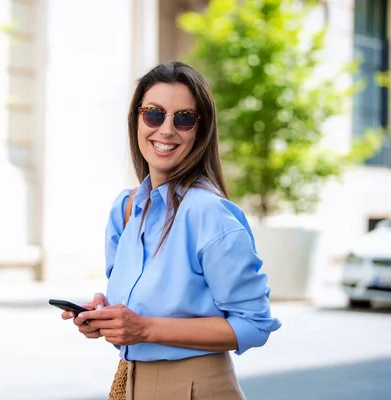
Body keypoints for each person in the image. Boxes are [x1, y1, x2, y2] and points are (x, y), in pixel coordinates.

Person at [61, 61, 282, 400]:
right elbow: (138, 308)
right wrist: (105, 315)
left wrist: (143, 328)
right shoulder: (125, 208)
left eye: (183, 118)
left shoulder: (209, 214)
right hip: (130, 381)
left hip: (196, 387)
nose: (166, 130)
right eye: (153, 113)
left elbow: (254, 325)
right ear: (136, 119)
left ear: (200, 130)